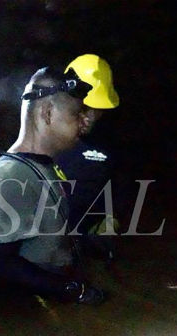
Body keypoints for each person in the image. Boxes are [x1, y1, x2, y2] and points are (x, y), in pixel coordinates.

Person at [0, 67, 104, 305]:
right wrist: (72, 291)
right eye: (77, 114)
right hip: (26, 316)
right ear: (47, 113)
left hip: (47, 304)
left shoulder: (43, 167)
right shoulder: (12, 173)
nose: (85, 120)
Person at [55, 54, 120, 260]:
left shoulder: (108, 147)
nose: (90, 116)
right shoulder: (42, 141)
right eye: (85, 106)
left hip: (80, 245)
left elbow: (120, 191)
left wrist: (110, 222)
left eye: (97, 108)